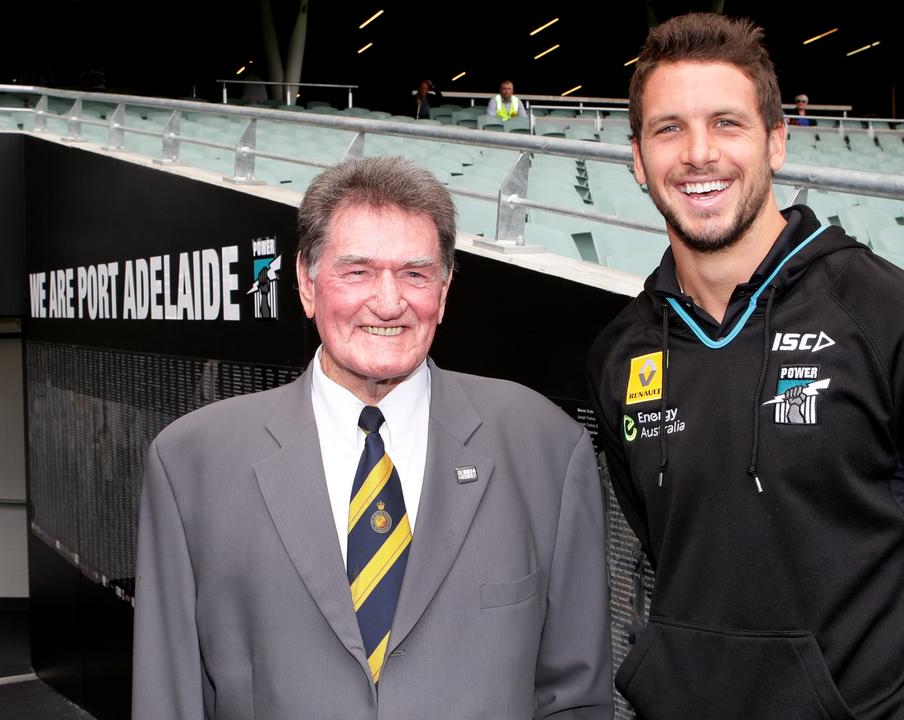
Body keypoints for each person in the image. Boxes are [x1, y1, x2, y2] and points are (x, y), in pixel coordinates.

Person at [133, 156, 612, 719]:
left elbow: (576, 697)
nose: (389, 303)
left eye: (415, 273)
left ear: (445, 288)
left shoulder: (546, 450)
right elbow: (170, 699)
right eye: (356, 271)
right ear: (307, 285)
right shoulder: (191, 465)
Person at [587, 12, 904, 720]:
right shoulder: (621, 354)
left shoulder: (882, 313)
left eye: (727, 123)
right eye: (669, 129)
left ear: (776, 141)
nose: (699, 154)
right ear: (637, 158)